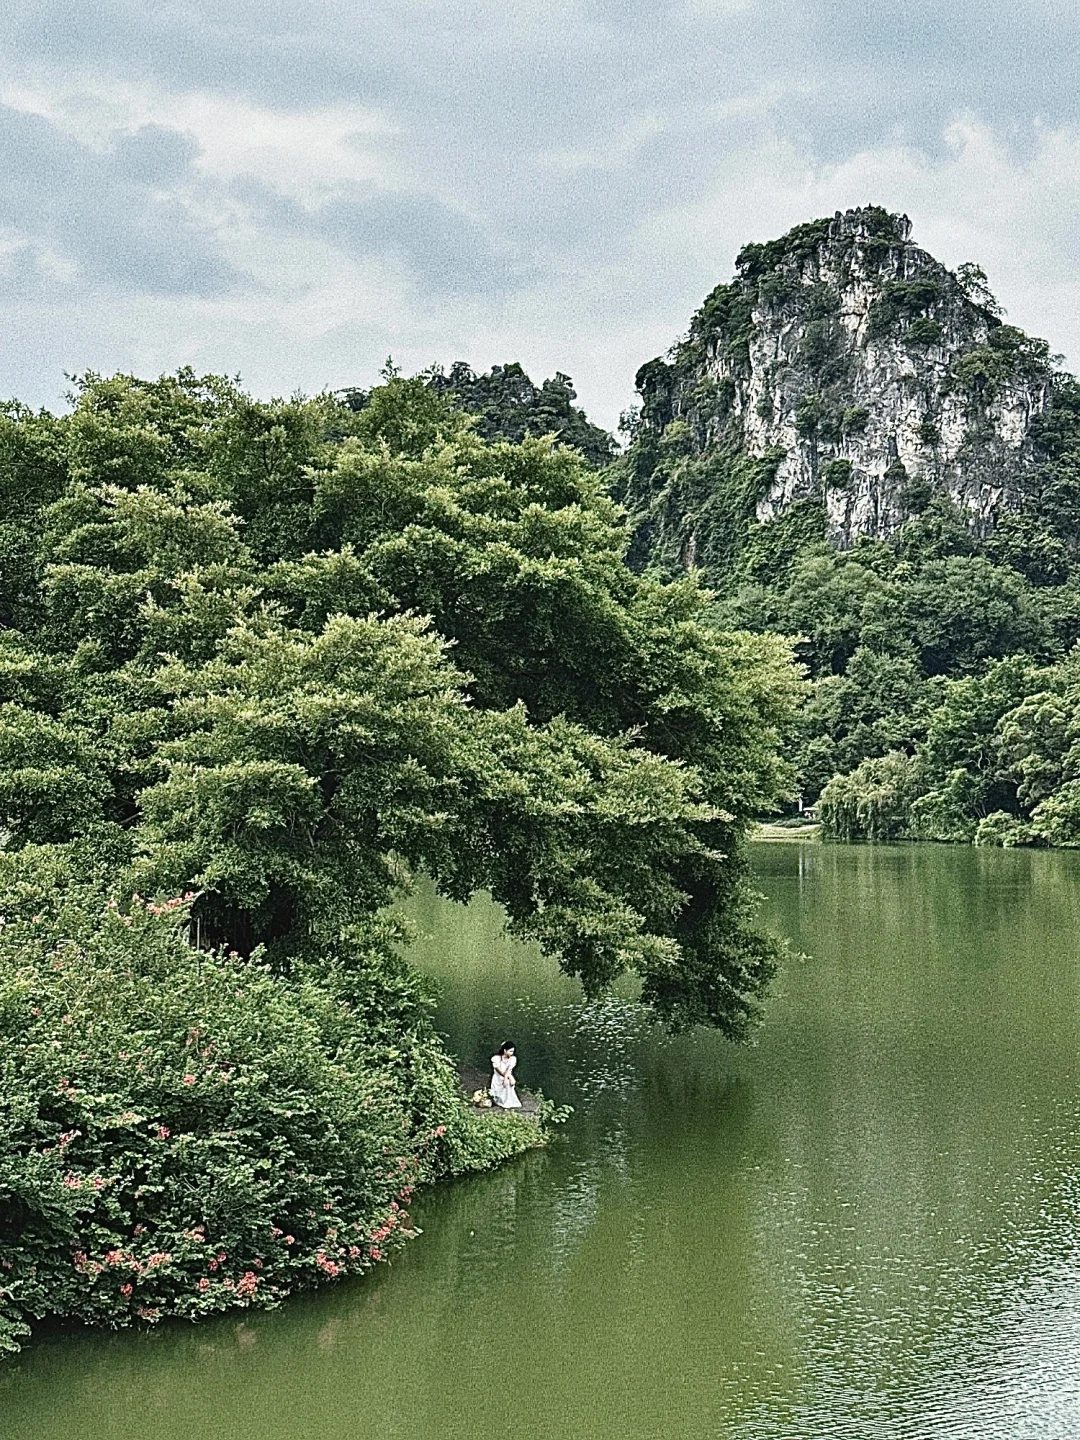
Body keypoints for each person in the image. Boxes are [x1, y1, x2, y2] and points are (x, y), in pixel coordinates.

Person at [489, 1041, 522, 1109]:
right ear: (505, 1050)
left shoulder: (512, 1059)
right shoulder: (496, 1059)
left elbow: (508, 1070)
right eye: (510, 1051)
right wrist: (506, 1079)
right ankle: (500, 1100)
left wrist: (508, 1077)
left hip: (507, 1075)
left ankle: (509, 1100)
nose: (512, 1053)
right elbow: (499, 1071)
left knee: (510, 1082)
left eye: (512, 1051)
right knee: (506, 1082)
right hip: (498, 1077)